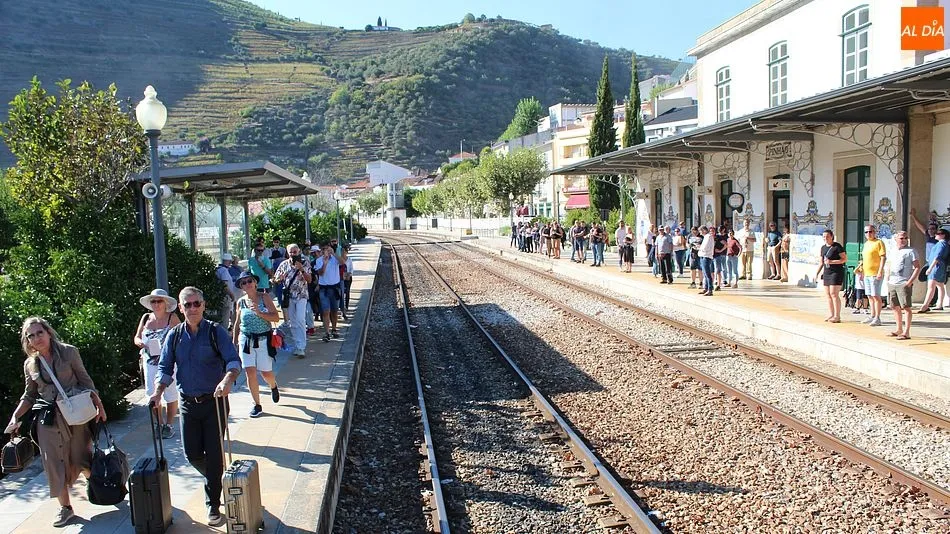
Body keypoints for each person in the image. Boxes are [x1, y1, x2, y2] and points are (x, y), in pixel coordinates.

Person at [6, 317, 107, 527]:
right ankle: (65, 508)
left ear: (48, 332)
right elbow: (29, 395)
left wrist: (100, 405)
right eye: (31, 335)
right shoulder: (30, 364)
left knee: (81, 458)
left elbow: (85, 380)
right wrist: (16, 417)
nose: (36, 338)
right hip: (49, 419)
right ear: (28, 341)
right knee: (53, 463)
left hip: (75, 414)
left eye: (39, 332)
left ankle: (97, 484)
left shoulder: (69, 352)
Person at [152, 287, 241, 527]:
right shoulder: (175, 335)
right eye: (187, 305)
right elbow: (165, 367)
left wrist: (227, 379)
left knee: (213, 453)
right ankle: (217, 478)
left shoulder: (215, 332)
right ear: (180, 308)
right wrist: (158, 392)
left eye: (196, 303)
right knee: (191, 454)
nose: (192, 308)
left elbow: (233, 360)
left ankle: (213, 503)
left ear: (203, 305)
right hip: (188, 404)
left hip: (215, 402)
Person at [133, 289, 181, 438]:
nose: (156, 304)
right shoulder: (146, 318)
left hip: (168, 362)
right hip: (149, 362)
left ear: (165, 303)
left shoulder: (172, 318)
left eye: (159, 301)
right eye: (153, 301)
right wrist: (140, 342)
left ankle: (169, 424)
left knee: (171, 393)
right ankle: (159, 424)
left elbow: (182, 337)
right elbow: (136, 337)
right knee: (151, 393)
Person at [232, 272, 280, 418]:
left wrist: (260, 313)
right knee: (250, 372)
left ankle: (273, 385)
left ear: (255, 283)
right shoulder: (240, 302)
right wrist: (233, 343)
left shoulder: (264, 297)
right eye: (244, 282)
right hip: (246, 341)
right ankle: (257, 404)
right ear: (241, 286)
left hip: (263, 340)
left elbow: (276, 317)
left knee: (266, 373)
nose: (247, 284)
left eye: (249, 281)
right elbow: (237, 323)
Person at [274, 244, 313, 358]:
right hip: (289, 296)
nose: (293, 254)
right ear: (287, 253)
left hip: (301, 295)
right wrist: (279, 279)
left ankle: (301, 347)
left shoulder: (305, 262)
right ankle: (297, 345)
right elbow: (275, 279)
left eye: (295, 252)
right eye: (291, 252)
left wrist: (301, 269)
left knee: (301, 319)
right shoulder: (284, 264)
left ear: (299, 251)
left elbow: (309, 280)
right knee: (293, 322)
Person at [886, 231, 921, 339]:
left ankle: (907, 332)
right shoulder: (892, 251)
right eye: (901, 238)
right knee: (894, 306)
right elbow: (889, 264)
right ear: (896, 239)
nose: (903, 240)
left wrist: (910, 282)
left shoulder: (911, 251)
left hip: (903, 282)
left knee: (906, 306)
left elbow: (917, 267)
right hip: (892, 281)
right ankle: (899, 328)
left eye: (905, 238)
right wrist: (887, 276)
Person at [314, 242, 344, 343]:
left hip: (334, 288)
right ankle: (326, 332)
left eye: (327, 249)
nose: (325, 251)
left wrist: (334, 254)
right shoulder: (319, 260)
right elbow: (321, 273)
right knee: (326, 311)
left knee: (335, 311)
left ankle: (334, 328)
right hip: (324, 289)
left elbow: (342, 262)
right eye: (323, 249)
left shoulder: (335, 259)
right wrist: (325, 263)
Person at [816, 230, 847, 323]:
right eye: (824, 237)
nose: (825, 238)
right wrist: (817, 273)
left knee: (834, 294)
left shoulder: (837, 247)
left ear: (832, 236)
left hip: (836, 272)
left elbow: (844, 259)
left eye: (827, 236)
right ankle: (831, 314)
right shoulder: (823, 248)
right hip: (827, 272)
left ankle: (837, 316)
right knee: (828, 294)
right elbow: (821, 262)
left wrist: (832, 262)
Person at [861, 224, 887, 326]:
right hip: (867, 273)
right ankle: (872, 315)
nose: (868, 234)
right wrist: (862, 271)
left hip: (875, 273)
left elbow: (883, 257)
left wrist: (880, 271)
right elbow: (865, 259)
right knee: (869, 295)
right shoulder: (866, 244)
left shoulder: (879, 242)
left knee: (876, 296)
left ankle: (877, 317)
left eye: (870, 231)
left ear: (875, 232)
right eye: (866, 232)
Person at [919, 228, 949, 313]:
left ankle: (925, 305)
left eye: (938, 233)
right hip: (939, 267)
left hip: (936, 267)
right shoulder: (943, 244)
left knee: (931, 286)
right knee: (940, 285)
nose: (936, 235)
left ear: (943, 235)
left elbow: (937, 257)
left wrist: (930, 268)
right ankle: (939, 304)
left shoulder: (941, 244)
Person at [215, 254, 239, 330]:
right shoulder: (224, 270)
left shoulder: (218, 269)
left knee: (221, 316)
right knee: (225, 317)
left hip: (219, 296)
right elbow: (224, 285)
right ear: (227, 261)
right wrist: (232, 295)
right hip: (225, 296)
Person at [698, 226, 715, 296]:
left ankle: (710, 289)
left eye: (701, 231)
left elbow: (705, 247)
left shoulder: (709, 237)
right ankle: (706, 288)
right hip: (703, 256)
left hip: (706, 257)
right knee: (705, 274)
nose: (700, 233)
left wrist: (699, 247)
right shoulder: (706, 237)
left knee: (708, 274)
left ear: (704, 230)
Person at [341, 245, 354, 318]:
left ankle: (347, 305)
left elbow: (351, 269)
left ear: (346, 252)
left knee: (347, 291)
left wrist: (349, 274)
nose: (343, 252)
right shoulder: (339, 259)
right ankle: (343, 307)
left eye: (344, 251)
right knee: (342, 292)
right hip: (342, 277)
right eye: (342, 251)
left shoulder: (349, 259)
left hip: (348, 277)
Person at [713, 225, 728, 291]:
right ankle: (716, 280)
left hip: (723, 253)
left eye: (721, 229)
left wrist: (721, 250)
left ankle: (724, 279)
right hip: (716, 254)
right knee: (717, 268)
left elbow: (726, 244)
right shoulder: (717, 236)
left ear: (724, 229)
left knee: (723, 266)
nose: (720, 230)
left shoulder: (726, 236)